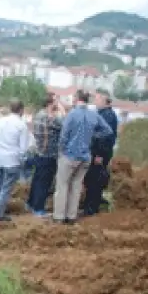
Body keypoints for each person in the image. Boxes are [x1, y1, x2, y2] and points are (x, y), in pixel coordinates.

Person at [53, 90, 113, 224]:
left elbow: (64, 135)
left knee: (62, 185)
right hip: (85, 156)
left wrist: (61, 151)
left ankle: (59, 216)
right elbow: (108, 131)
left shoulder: (72, 114)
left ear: (76, 98)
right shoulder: (94, 115)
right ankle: (71, 216)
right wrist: (93, 135)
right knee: (76, 186)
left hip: (70, 155)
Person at [0, 99, 30, 221]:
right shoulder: (21, 125)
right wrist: (22, 162)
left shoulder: (0, 121)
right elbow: (23, 148)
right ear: (21, 110)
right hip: (12, 160)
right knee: (6, 189)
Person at [26, 94, 66, 217]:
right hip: (49, 155)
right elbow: (65, 124)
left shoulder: (38, 115)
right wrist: (61, 109)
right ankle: (38, 209)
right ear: (50, 104)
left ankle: (31, 203)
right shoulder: (50, 118)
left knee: (37, 179)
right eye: (55, 102)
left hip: (39, 153)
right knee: (44, 183)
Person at [82, 137, 110, 217]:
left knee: (93, 186)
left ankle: (90, 208)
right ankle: (91, 208)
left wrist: (98, 155)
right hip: (95, 160)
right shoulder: (103, 132)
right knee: (94, 186)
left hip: (95, 161)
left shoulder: (98, 134)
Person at [96, 97, 118, 169]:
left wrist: (98, 154)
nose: (96, 103)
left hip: (102, 151)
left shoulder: (106, 115)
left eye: (98, 101)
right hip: (105, 150)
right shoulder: (107, 113)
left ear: (104, 103)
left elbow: (104, 135)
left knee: (98, 170)